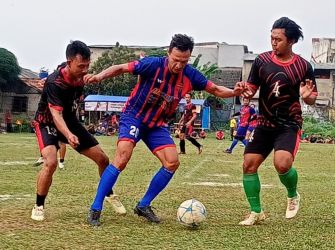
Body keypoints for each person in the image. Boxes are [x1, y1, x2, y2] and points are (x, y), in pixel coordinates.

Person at [84, 34, 248, 226]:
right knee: (122, 158)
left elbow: (216, 90)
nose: (179, 65)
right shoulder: (152, 64)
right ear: (168, 53)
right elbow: (121, 68)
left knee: (172, 162)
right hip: (134, 117)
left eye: (184, 61)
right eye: (176, 60)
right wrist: (99, 76)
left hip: (157, 124)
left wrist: (234, 92)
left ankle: (144, 205)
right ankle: (96, 208)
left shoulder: (190, 75)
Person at [31, 40, 126, 221]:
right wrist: (68, 135)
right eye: (81, 66)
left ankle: (108, 194)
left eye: (87, 66)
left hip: (71, 122)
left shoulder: (81, 77)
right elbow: (56, 115)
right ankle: (39, 205)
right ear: (69, 63)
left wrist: (97, 76)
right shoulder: (54, 82)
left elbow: (67, 115)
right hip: (47, 123)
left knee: (103, 159)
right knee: (50, 162)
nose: (85, 70)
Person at [239, 17, 318, 226]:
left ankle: (293, 194)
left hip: (289, 124)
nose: (273, 43)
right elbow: (251, 88)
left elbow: (312, 97)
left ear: (291, 41)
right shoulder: (262, 61)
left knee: (282, 164)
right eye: (272, 38)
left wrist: (306, 95)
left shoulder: (303, 66)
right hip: (264, 123)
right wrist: (244, 92)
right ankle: (256, 212)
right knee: (248, 165)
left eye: (278, 39)